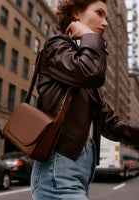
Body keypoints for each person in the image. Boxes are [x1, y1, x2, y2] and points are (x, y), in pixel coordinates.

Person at [31, 0, 139, 199]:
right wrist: (90, 37)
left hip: (80, 174)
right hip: (57, 172)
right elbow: (90, 74)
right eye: (99, 13)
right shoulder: (57, 46)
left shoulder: (85, 70)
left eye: (107, 17)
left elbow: (111, 124)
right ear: (77, 13)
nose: (105, 23)